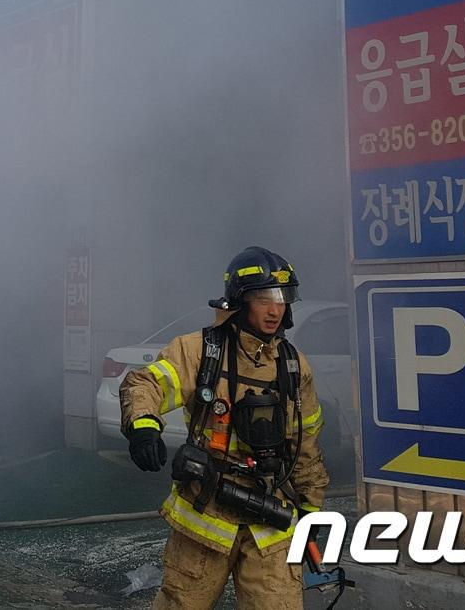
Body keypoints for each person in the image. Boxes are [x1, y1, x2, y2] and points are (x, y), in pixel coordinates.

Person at [119, 247, 329, 610]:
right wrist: (143, 425)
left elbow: (305, 443)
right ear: (240, 301)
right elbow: (144, 384)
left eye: (281, 298)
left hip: (271, 519)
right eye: (263, 298)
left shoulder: (295, 367)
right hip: (206, 515)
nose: (274, 309)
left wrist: (312, 506)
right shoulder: (200, 351)